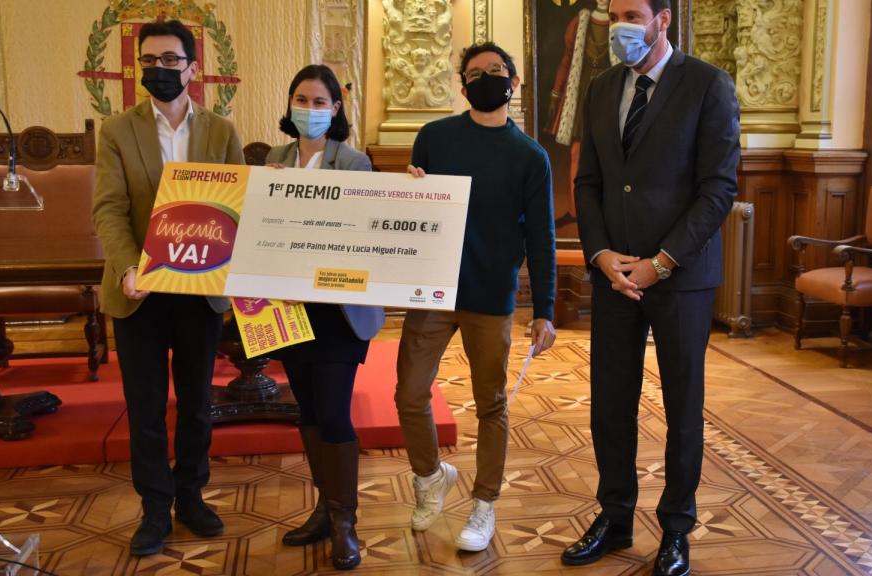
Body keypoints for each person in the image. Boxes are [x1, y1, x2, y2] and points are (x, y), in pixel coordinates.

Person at [560, 0, 740, 575]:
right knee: (610, 404)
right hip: (615, 276)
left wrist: (661, 262)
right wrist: (601, 254)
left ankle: (676, 529)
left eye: (633, 15)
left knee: (682, 407)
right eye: (614, 15)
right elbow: (589, 183)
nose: (621, 27)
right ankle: (614, 517)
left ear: (663, 19)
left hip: (680, 277)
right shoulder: (601, 88)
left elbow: (718, 188)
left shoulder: (708, 85)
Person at [395, 42, 557, 552]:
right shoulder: (434, 137)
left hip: (490, 293)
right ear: (462, 86)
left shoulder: (530, 156)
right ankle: (430, 478)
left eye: (496, 70)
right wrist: (410, 190)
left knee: (491, 402)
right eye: (475, 72)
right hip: (433, 289)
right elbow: (414, 212)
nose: (486, 78)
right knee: (409, 393)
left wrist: (545, 310)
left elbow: (542, 238)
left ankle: (484, 503)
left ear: (513, 81)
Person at [92, 20, 244, 556]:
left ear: (192, 67)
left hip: (200, 289)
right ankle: (155, 508)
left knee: (198, 402)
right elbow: (109, 209)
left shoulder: (221, 132)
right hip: (139, 291)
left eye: (171, 60)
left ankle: (191, 496)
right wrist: (128, 267)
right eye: (150, 61)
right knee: (146, 405)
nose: (160, 69)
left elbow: (237, 207)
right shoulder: (117, 130)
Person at [264, 64, 385, 571]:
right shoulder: (274, 159)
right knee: (308, 412)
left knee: (333, 412)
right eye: (301, 100)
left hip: (337, 310)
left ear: (335, 109)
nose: (309, 109)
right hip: (289, 309)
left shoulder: (354, 163)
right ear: (290, 105)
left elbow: (357, 233)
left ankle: (345, 523)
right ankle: (324, 509)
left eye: (319, 102)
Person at [544, 0, 614, 228]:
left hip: (610, 93)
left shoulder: (620, 23)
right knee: (576, 152)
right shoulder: (580, 22)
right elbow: (567, 60)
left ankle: (607, 211)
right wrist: (556, 93)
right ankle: (575, 211)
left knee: (609, 153)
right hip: (582, 93)